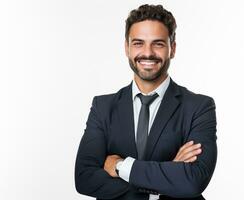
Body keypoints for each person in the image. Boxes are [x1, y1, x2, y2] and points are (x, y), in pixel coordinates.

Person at [75, 4, 217, 200]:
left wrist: (120, 165)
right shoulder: (103, 107)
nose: (148, 53)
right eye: (138, 43)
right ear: (127, 48)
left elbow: (193, 180)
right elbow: (84, 179)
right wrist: (161, 184)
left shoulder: (199, 107)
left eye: (158, 43)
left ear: (172, 49)